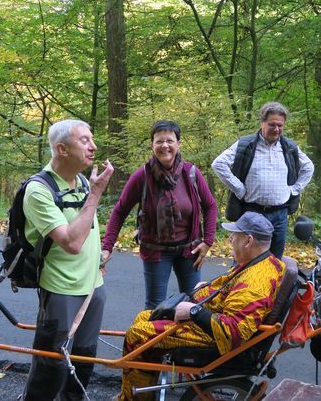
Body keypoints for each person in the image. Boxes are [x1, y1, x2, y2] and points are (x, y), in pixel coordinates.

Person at [117, 211, 286, 401]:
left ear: (248, 241)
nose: (230, 239)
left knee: (137, 334)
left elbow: (233, 331)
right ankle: (143, 386)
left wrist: (193, 311)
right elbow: (233, 291)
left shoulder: (255, 282)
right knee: (144, 317)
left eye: (234, 236)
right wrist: (207, 288)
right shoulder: (269, 262)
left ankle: (133, 398)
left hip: (214, 337)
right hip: (214, 323)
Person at [22, 119, 114, 400]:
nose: (93, 146)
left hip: (93, 287)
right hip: (61, 289)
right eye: (84, 140)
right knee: (51, 365)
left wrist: (98, 259)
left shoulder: (84, 181)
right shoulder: (38, 190)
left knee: (84, 361)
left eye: (92, 139)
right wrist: (96, 194)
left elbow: (87, 230)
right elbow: (72, 243)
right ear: (61, 149)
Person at [102, 120, 217, 309]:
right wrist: (107, 247)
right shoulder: (142, 176)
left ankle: (186, 340)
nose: (165, 146)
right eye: (159, 141)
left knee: (195, 303)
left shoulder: (191, 174)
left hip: (189, 251)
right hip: (156, 251)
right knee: (156, 308)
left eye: (170, 141)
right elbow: (120, 211)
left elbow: (210, 205)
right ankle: (154, 339)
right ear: (152, 145)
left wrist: (208, 241)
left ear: (179, 144)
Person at [211, 101, 314, 259]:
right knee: (244, 260)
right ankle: (241, 285)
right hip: (252, 213)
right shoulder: (246, 144)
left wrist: (294, 189)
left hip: (280, 215)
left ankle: (270, 285)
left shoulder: (289, 147)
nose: (277, 129)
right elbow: (218, 164)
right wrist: (239, 189)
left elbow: (308, 167)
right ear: (262, 122)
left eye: (280, 125)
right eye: (272, 124)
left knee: (274, 261)